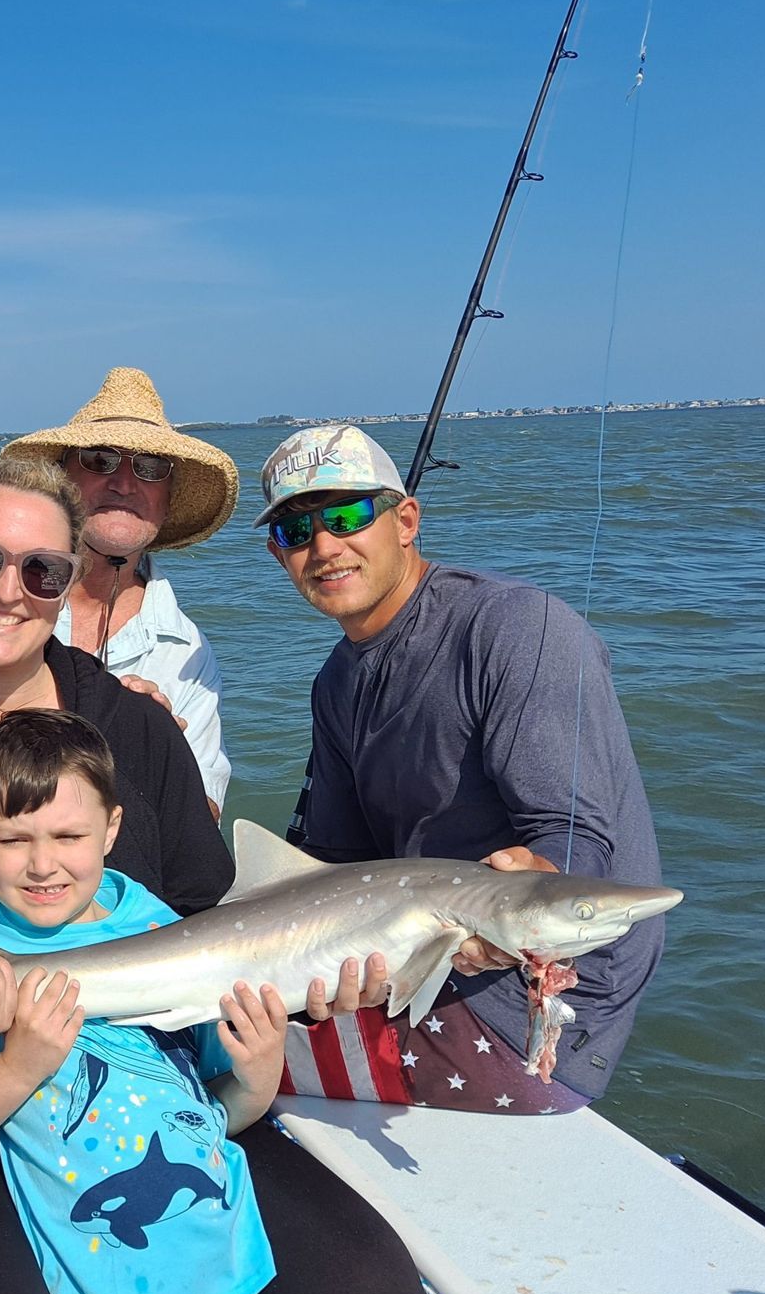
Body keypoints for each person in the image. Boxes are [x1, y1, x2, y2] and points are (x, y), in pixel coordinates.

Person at [0, 456, 422, 1294]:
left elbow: (217, 927)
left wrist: (309, 986)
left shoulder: (138, 733)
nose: (5, 591)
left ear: (70, 580)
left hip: (145, 1094)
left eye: (41, 570)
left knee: (366, 1285)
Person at [255, 422, 668, 1114]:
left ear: (406, 519)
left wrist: (526, 903)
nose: (325, 546)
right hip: (416, 964)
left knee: (209, 1072)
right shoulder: (335, 682)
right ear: (278, 556)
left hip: (529, 1009)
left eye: (349, 515)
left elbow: (572, 838)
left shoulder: (516, 629)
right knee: (212, 1031)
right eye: (298, 532)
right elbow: (329, 860)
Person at [0, 710, 285, 1294]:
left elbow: (216, 1114)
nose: (42, 864)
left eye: (69, 836)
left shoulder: (163, 926)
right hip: (102, 1283)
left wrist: (261, 1077)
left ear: (112, 830)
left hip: (234, 1254)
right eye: (11, 840)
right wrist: (19, 1066)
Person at [0, 368, 237, 812]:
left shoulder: (186, 651)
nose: (125, 483)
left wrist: (157, 750)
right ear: (63, 476)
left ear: (168, 498)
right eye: (99, 459)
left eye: (150, 468)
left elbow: (201, 820)